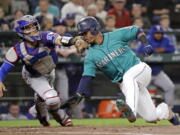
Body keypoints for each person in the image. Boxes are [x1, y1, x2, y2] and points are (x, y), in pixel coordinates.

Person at [61, 16, 180, 125]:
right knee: (151, 117)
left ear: (94, 29)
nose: (83, 36)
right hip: (126, 85)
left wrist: (146, 44)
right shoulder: (90, 56)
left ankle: (130, 110)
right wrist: (79, 94)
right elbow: (87, 77)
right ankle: (165, 111)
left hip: (140, 70)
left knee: (129, 78)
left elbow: (136, 30)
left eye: (85, 33)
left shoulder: (115, 35)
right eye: (82, 34)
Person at [0, 15, 87, 126]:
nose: (32, 30)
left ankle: (38, 110)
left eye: (33, 26)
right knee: (52, 99)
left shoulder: (46, 36)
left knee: (47, 99)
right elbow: (4, 68)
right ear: (20, 32)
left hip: (51, 72)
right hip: (33, 76)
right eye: (28, 28)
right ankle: (61, 117)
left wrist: (74, 40)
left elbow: (60, 39)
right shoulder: (17, 50)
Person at [136, 25, 175, 108]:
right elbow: (138, 51)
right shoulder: (147, 39)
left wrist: (164, 49)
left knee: (170, 87)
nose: (159, 35)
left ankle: (169, 110)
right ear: (153, 33)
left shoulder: (165, 39)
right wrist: (153, 49)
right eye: (156, 33)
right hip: (145, 72)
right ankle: (138, 111)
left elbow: (172, 49)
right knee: (138, 90)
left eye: (160, 33)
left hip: (158, 72)